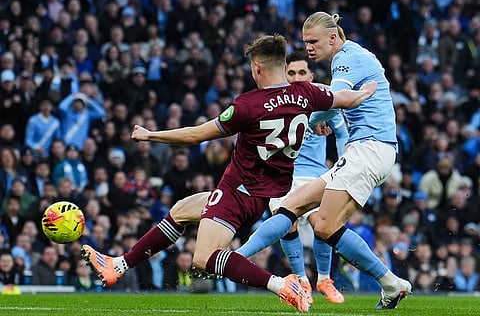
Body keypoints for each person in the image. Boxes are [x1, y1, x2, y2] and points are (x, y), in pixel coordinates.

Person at [81, 34, 376, 312]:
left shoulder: (248, 105)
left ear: (257, 67)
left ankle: (282, 284)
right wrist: (369, 89)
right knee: (182, 210)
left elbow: (196, 135)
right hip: (263, 192)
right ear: (283, 67)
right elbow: (347, 99)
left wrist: (150, 135)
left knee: (205, 258)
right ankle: (117, 265)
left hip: (239, 190)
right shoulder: (307, 93)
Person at [235, 12, 412, 310]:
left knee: (325, 227)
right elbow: (333, 103)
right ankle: (235, 257)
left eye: (313, 41)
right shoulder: (353, 56)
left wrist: (305, 121)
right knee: (288, 206)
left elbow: (333, 96)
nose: (309, 48)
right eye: (306, 42)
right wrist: (321, 118)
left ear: (333, 38)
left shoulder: (346, 58)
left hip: (369, 148)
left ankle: (390, 283)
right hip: (366, 150)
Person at [268, 50, 347, 304]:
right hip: (282, 177)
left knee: (321, 223)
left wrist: (344, 163)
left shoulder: (322, 100)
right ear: (284, 75)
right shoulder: (273, 102)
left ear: (311, 75)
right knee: (287, 224)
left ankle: (323, 278)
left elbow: (342, 132)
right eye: (291, 73)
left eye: (302, 72)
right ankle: (302, 281)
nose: (297, 77)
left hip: (314, 176)